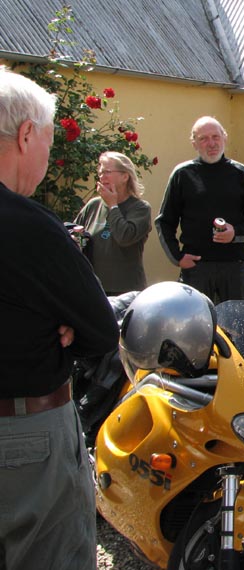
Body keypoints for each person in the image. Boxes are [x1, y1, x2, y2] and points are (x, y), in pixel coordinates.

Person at [0, 67, 118, 569]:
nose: (47, 160)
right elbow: (99, 330)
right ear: (27, 134)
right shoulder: (28, 226)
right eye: (48, 142)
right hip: (23, 438)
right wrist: (60, 325)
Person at [154, 116, 244, 304]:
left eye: (215, 137)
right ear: (194, 143)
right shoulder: (182, 174)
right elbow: (164, 222)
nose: (211, 143)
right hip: (197, 268)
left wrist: (235, 233)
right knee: (198, 320)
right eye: (203, 138)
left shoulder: (240, 173)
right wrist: (178, 257)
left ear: (224, 138)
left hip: (236, 268)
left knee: (237, 321)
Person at [74, 150, 151, 295]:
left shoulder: (140, 209)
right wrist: (76, 238)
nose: (102, 176)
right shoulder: (93, 205)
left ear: (125, 176)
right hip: (94, 289)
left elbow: (124, 237)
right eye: (100, 172)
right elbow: (76, 238)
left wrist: (113, 206)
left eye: (107, 172)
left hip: (126, 292)